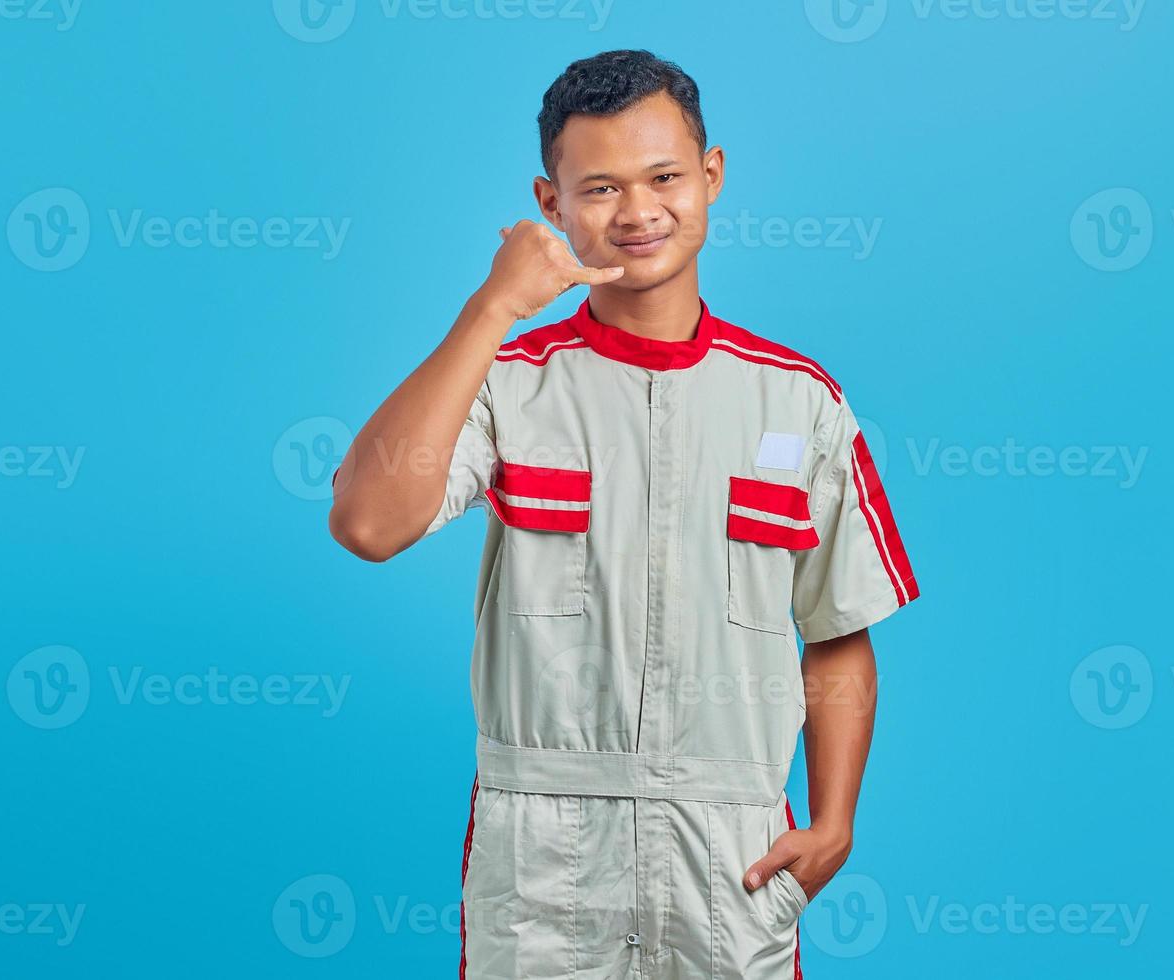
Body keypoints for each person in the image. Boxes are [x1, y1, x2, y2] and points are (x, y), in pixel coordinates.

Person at [329, 48, 919, 979]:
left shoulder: (798, 402)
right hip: (545, 850)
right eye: (599, 187)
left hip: (732, 850)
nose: (639, 212)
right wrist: (493, 308)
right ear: (550, 202)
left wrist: (836, 816)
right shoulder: (507, 388)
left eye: (665, 177)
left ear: (712, 175)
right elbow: (368, 522)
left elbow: (837, 629)